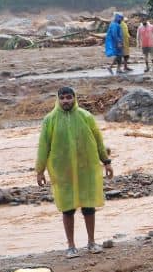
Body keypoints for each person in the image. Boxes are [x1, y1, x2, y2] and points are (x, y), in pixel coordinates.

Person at [35, 86, 113, 258]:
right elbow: (43, 147)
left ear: (74, 98)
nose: (65, 101)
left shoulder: (86, 117)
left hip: (86, 169)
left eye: (69, 97)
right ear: (57, 100)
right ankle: (71, 246)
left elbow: (99, 140)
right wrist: (39, 171)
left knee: (88, 206)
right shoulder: (50, 120)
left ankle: (92, 242)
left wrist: (106, 162)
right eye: (62, 98)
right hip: (63, 172)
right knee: (67, 209)